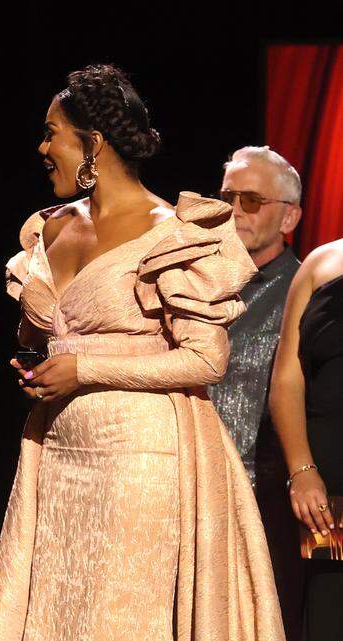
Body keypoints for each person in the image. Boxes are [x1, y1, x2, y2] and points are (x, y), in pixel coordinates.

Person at [0, 65, 283, 640]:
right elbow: (52, 333)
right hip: (56, 449)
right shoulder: (50, 228)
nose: (42, 147)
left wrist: (85, 368)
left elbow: (204, 360)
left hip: (140, 457)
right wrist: (40, 361)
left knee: (119, 617)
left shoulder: (174, 234)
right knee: (59, 612)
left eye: (52, 133)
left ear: (92, 144)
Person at [209, 145, 304, 638]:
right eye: (227, 197)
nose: (234, 210)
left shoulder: (304, 294)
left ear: (289, 217)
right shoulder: (194, 283)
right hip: (187, 488)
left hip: (262, 505)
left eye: (251, 200)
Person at [269, 237, 343, 640]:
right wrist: (302, 469)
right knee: (330, 608)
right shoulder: (321, 262)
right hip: (330, 489)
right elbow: (287, 377)